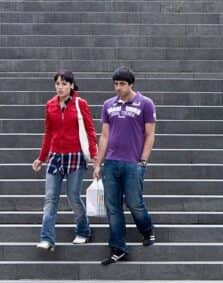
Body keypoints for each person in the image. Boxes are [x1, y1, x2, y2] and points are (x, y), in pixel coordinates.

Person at [93, 66, 156, 265]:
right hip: (111, 162)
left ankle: (147, 230)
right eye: (116, 84)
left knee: (134, 203)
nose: (118, 88)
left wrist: (143, 161)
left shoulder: (145, 104)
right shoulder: (108, 105)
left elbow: (150, 134)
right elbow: (104, 136)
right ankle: (118, 248)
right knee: (112, 207)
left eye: (122, 84)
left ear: (131, 85)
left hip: (132, 163)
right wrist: (98, 163)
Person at [32, 70, 97, 251]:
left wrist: (95, 157)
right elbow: (48, 133)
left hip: (75, 156)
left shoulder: (79, 103)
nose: (60, 87)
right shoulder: (50, 105)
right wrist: (41, 158)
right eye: (57, 84)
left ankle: (83, 231)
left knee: (73, 197)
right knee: (50, 198)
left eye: (64, 84)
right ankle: (47, 239)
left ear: (71, 86)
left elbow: (90, 131)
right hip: (55, 156)